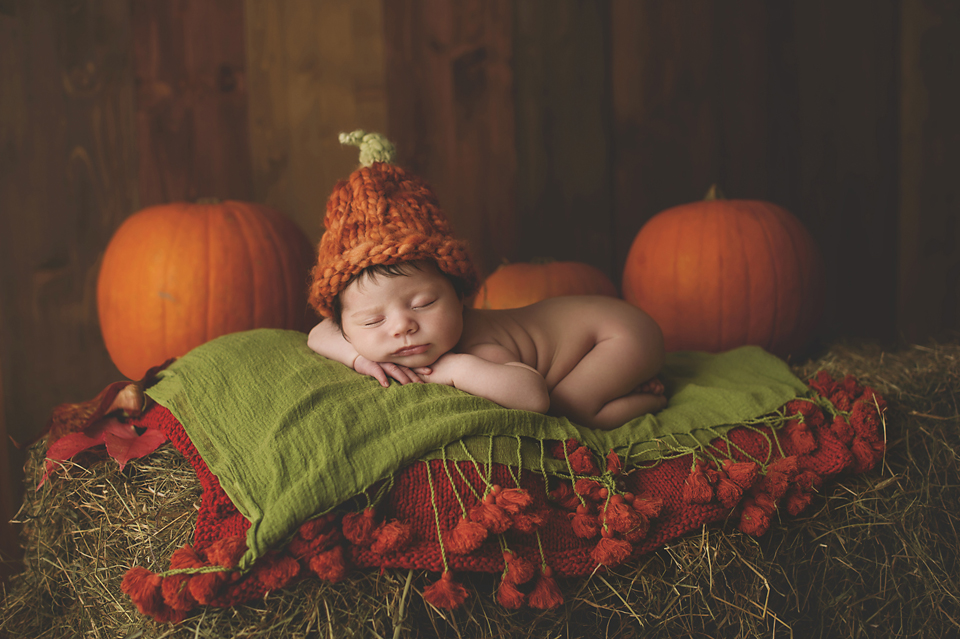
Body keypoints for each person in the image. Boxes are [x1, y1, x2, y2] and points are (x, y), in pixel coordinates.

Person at [306, 131, 666, 430]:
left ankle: (650, 398)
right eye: (373, 320)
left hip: (618, 334)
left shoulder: (476, 347)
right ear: (348, 327)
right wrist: (360, 359)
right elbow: (319, 333)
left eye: (424, 304)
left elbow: (533, 396)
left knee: (570, 406)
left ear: (459, 295)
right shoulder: (359, 334)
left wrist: (456, 369)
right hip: (597, 322)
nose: (402, 325)